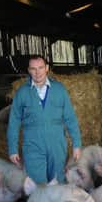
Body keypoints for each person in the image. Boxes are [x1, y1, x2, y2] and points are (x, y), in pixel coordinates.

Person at [7, 55, 82, 183]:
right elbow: (14, 122)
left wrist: (77, 144)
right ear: (29, 70)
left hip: (57, 145)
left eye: (41, 68)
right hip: (33, 146)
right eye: (33, 69)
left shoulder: (59, 89)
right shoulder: (22, 93)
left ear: (47, 68)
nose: (37, 72)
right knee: (37, 186)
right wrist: (12, 149)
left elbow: (70, 118)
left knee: (58, 183)